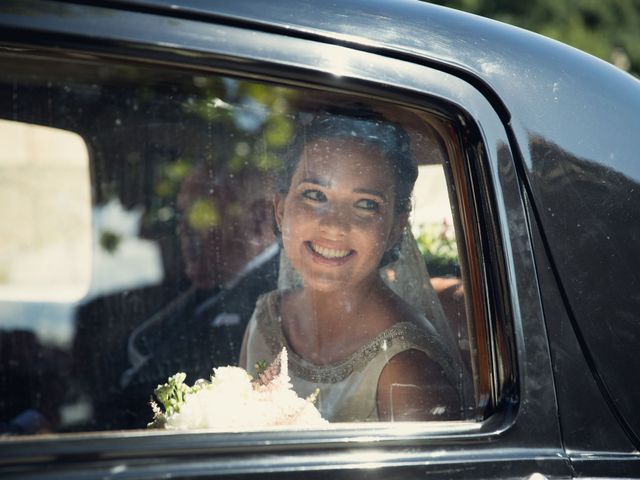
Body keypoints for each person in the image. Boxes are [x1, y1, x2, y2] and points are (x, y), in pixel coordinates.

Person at [240, 109, 464, 422]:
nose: (334, 227)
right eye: (315, 195)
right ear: (280, 209)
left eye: (366, 205)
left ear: (395, 229)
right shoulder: (266, 321)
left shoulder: (406, 366)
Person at [74, 164, 279, 429]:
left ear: (259, 220)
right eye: (180, 215)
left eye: (199, 214)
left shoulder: (280, 301)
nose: (181, 228)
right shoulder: (197, 290)